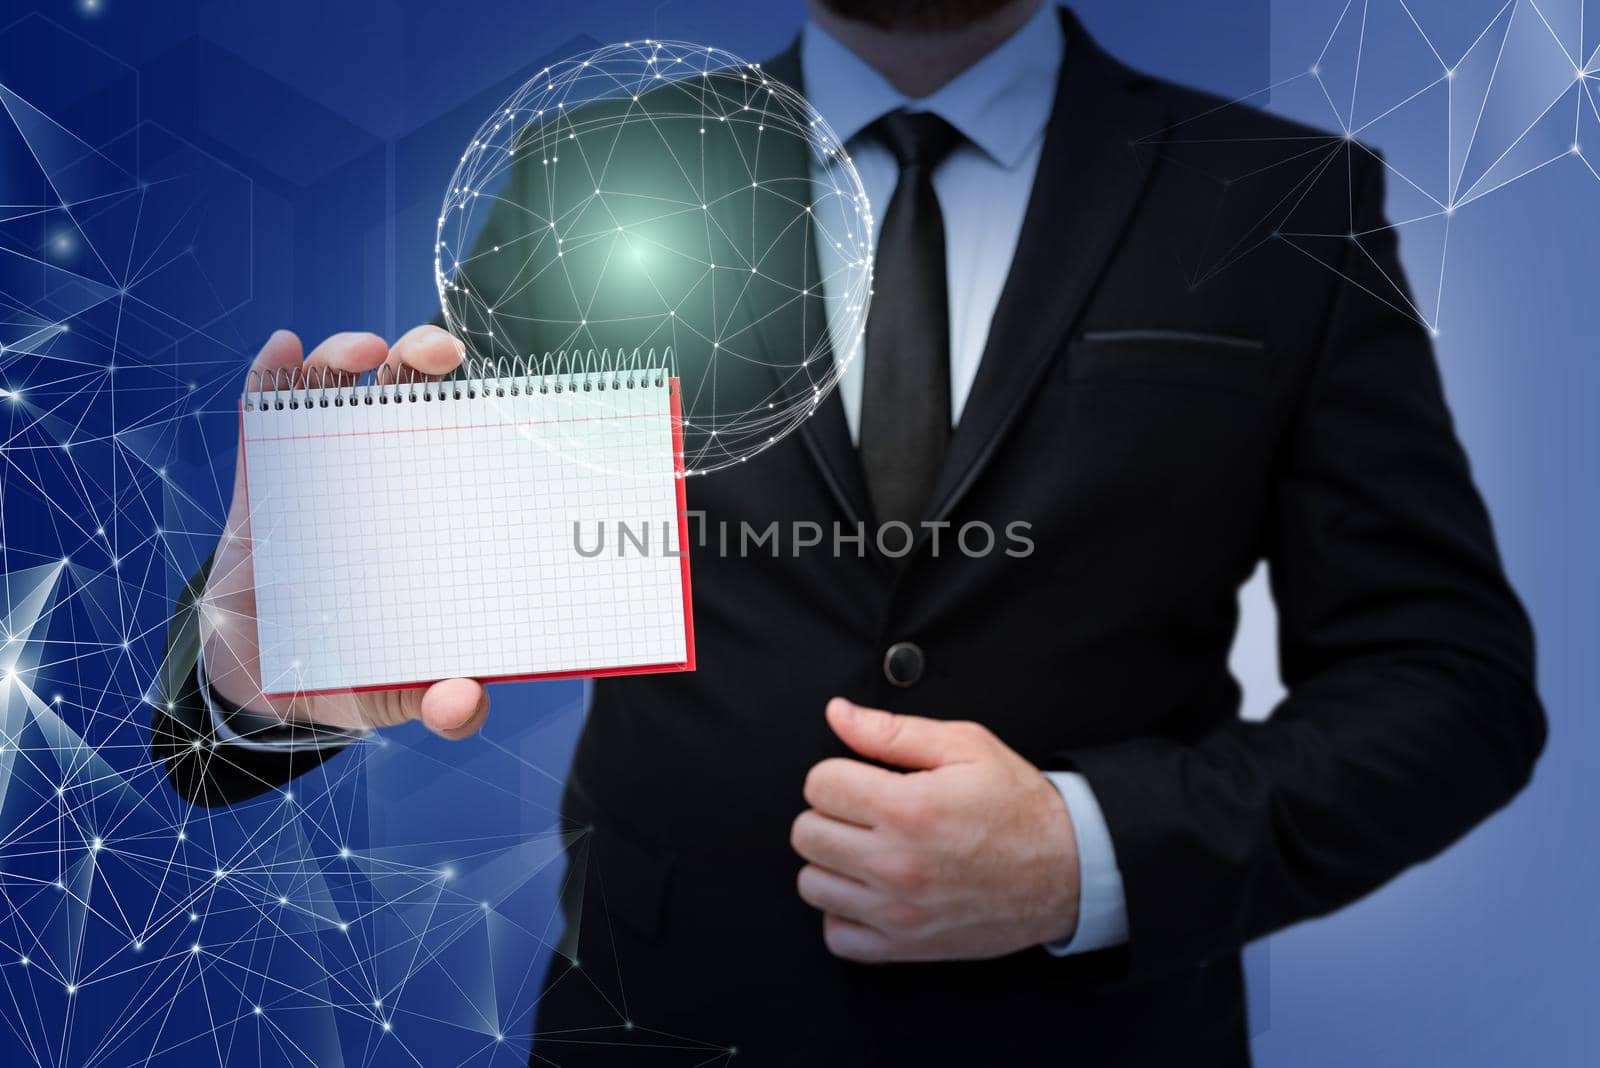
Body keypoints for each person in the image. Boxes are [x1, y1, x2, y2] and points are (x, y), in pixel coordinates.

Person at [155, 1, 1546, 1064]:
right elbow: (441, 588)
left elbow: (1450, 686)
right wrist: (260, 673)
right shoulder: (596, 170)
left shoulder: (1280, 202)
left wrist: (1092, 850)